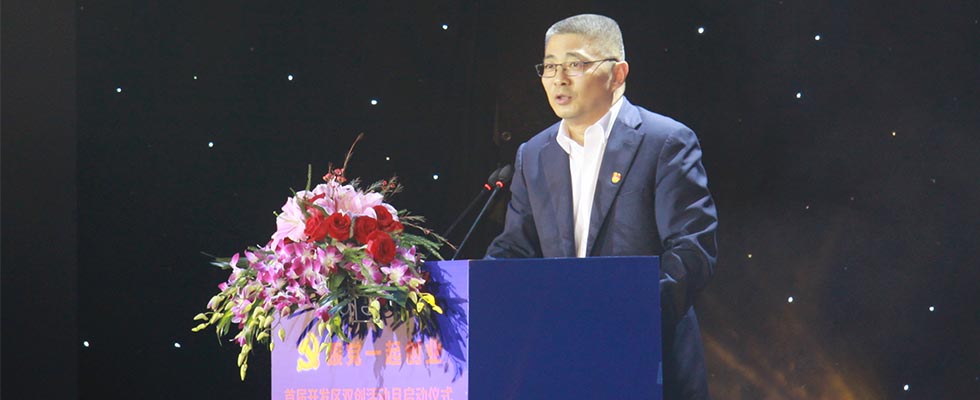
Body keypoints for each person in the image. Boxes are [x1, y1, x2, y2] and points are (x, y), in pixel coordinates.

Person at [485, 14, 718, 399]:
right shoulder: (534, 153)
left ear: (618, 73)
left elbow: (692, 252)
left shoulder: (665, 142)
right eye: (550, 66)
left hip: (649, 362)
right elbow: (515, 249)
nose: (559, 79)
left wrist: (625, 321)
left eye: (575, 64)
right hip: (560, 364)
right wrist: (473, 299)